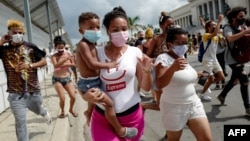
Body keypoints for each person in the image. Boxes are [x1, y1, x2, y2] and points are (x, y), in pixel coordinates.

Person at [84, 6, 153, 141]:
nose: (121, 33)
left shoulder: (135, 52)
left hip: (132, 118)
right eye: (115, 30)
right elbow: (89, 84)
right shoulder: (96, 53)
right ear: (107, 31)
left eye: (124, 29)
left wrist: (147, 70)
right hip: (103, 119)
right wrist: (88, 104)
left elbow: (146, 88)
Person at [76, 12, 139, 139]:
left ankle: (88, 113)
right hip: (89, 83)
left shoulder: (92, 44)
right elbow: (92, 64)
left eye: (97, 27)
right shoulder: (82, 45)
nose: (95, 30)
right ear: (81, 31)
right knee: (109, 104)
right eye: (90, 28)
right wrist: (109, 65)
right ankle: (119, 129)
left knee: (95, 101)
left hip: (93, 81)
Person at [155, 27, 212, 141]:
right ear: (170, 44)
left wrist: (199, 74)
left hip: (194, 104)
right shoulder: (163, 59)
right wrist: (172, 69)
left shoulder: (182, 57)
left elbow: (184, 77)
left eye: (185, 43)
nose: (183, 46)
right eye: (179, 43)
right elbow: (159, 83)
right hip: (174, 107)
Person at [0, 19, 52, 141]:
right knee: (20, 122)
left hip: (33, 91)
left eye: (20, 32)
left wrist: (30, 65)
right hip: (15, 94)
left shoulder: (31, 47)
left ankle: (43, 112)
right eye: (14, 32)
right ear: (9, 33)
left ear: (23, 33)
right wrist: (1, 41)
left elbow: (44, 61)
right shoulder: (4, 50)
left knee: (38, 109)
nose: (17, 35)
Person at [217, 6, 250, 116]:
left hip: (240, 56)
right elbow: (230, 38)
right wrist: (245, 32)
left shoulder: (242, 26)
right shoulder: (228, 27)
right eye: (240, 16)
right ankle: (248, 108)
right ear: (233, 17)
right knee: (244, 79)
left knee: (235, 80)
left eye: (243, 16)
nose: (242, 18)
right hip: (232, 58)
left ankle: (222, 95)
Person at [143, 12, 174, 113]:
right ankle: (142, 106)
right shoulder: (156, 39)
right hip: (159, 71)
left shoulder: (176, 37)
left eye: (172, 24)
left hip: (173, 70)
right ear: (161, 26)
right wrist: (154, 59)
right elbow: (148, 54)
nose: (171, 26)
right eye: (168, 24)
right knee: (160, 105)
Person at [50, 36, 78, 118]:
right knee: (62, 98)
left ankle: (71, 109)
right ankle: (62, 111)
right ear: (55, 47)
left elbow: (74, 64)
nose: (61, 49)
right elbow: (56, 65)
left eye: (62, 47)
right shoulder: (54, 56)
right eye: (59, 47)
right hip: (57, 79)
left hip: (67, 78)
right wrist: (65, 59)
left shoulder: (68, 54)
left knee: (73, 96)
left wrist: (66, 64)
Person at [199, 14, 225, 101]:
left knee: (222, 77)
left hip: (214, 60)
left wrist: (224, 39)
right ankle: (202, 93)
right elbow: (213, 33)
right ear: (209, 27)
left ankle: (206, 85)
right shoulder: (205, 35)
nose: (215, 26)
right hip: (207, 60)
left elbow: (223, 39)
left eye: (215, 24)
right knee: (209, 79)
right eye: (213, 25)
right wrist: (219, 21)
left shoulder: (217, 35)